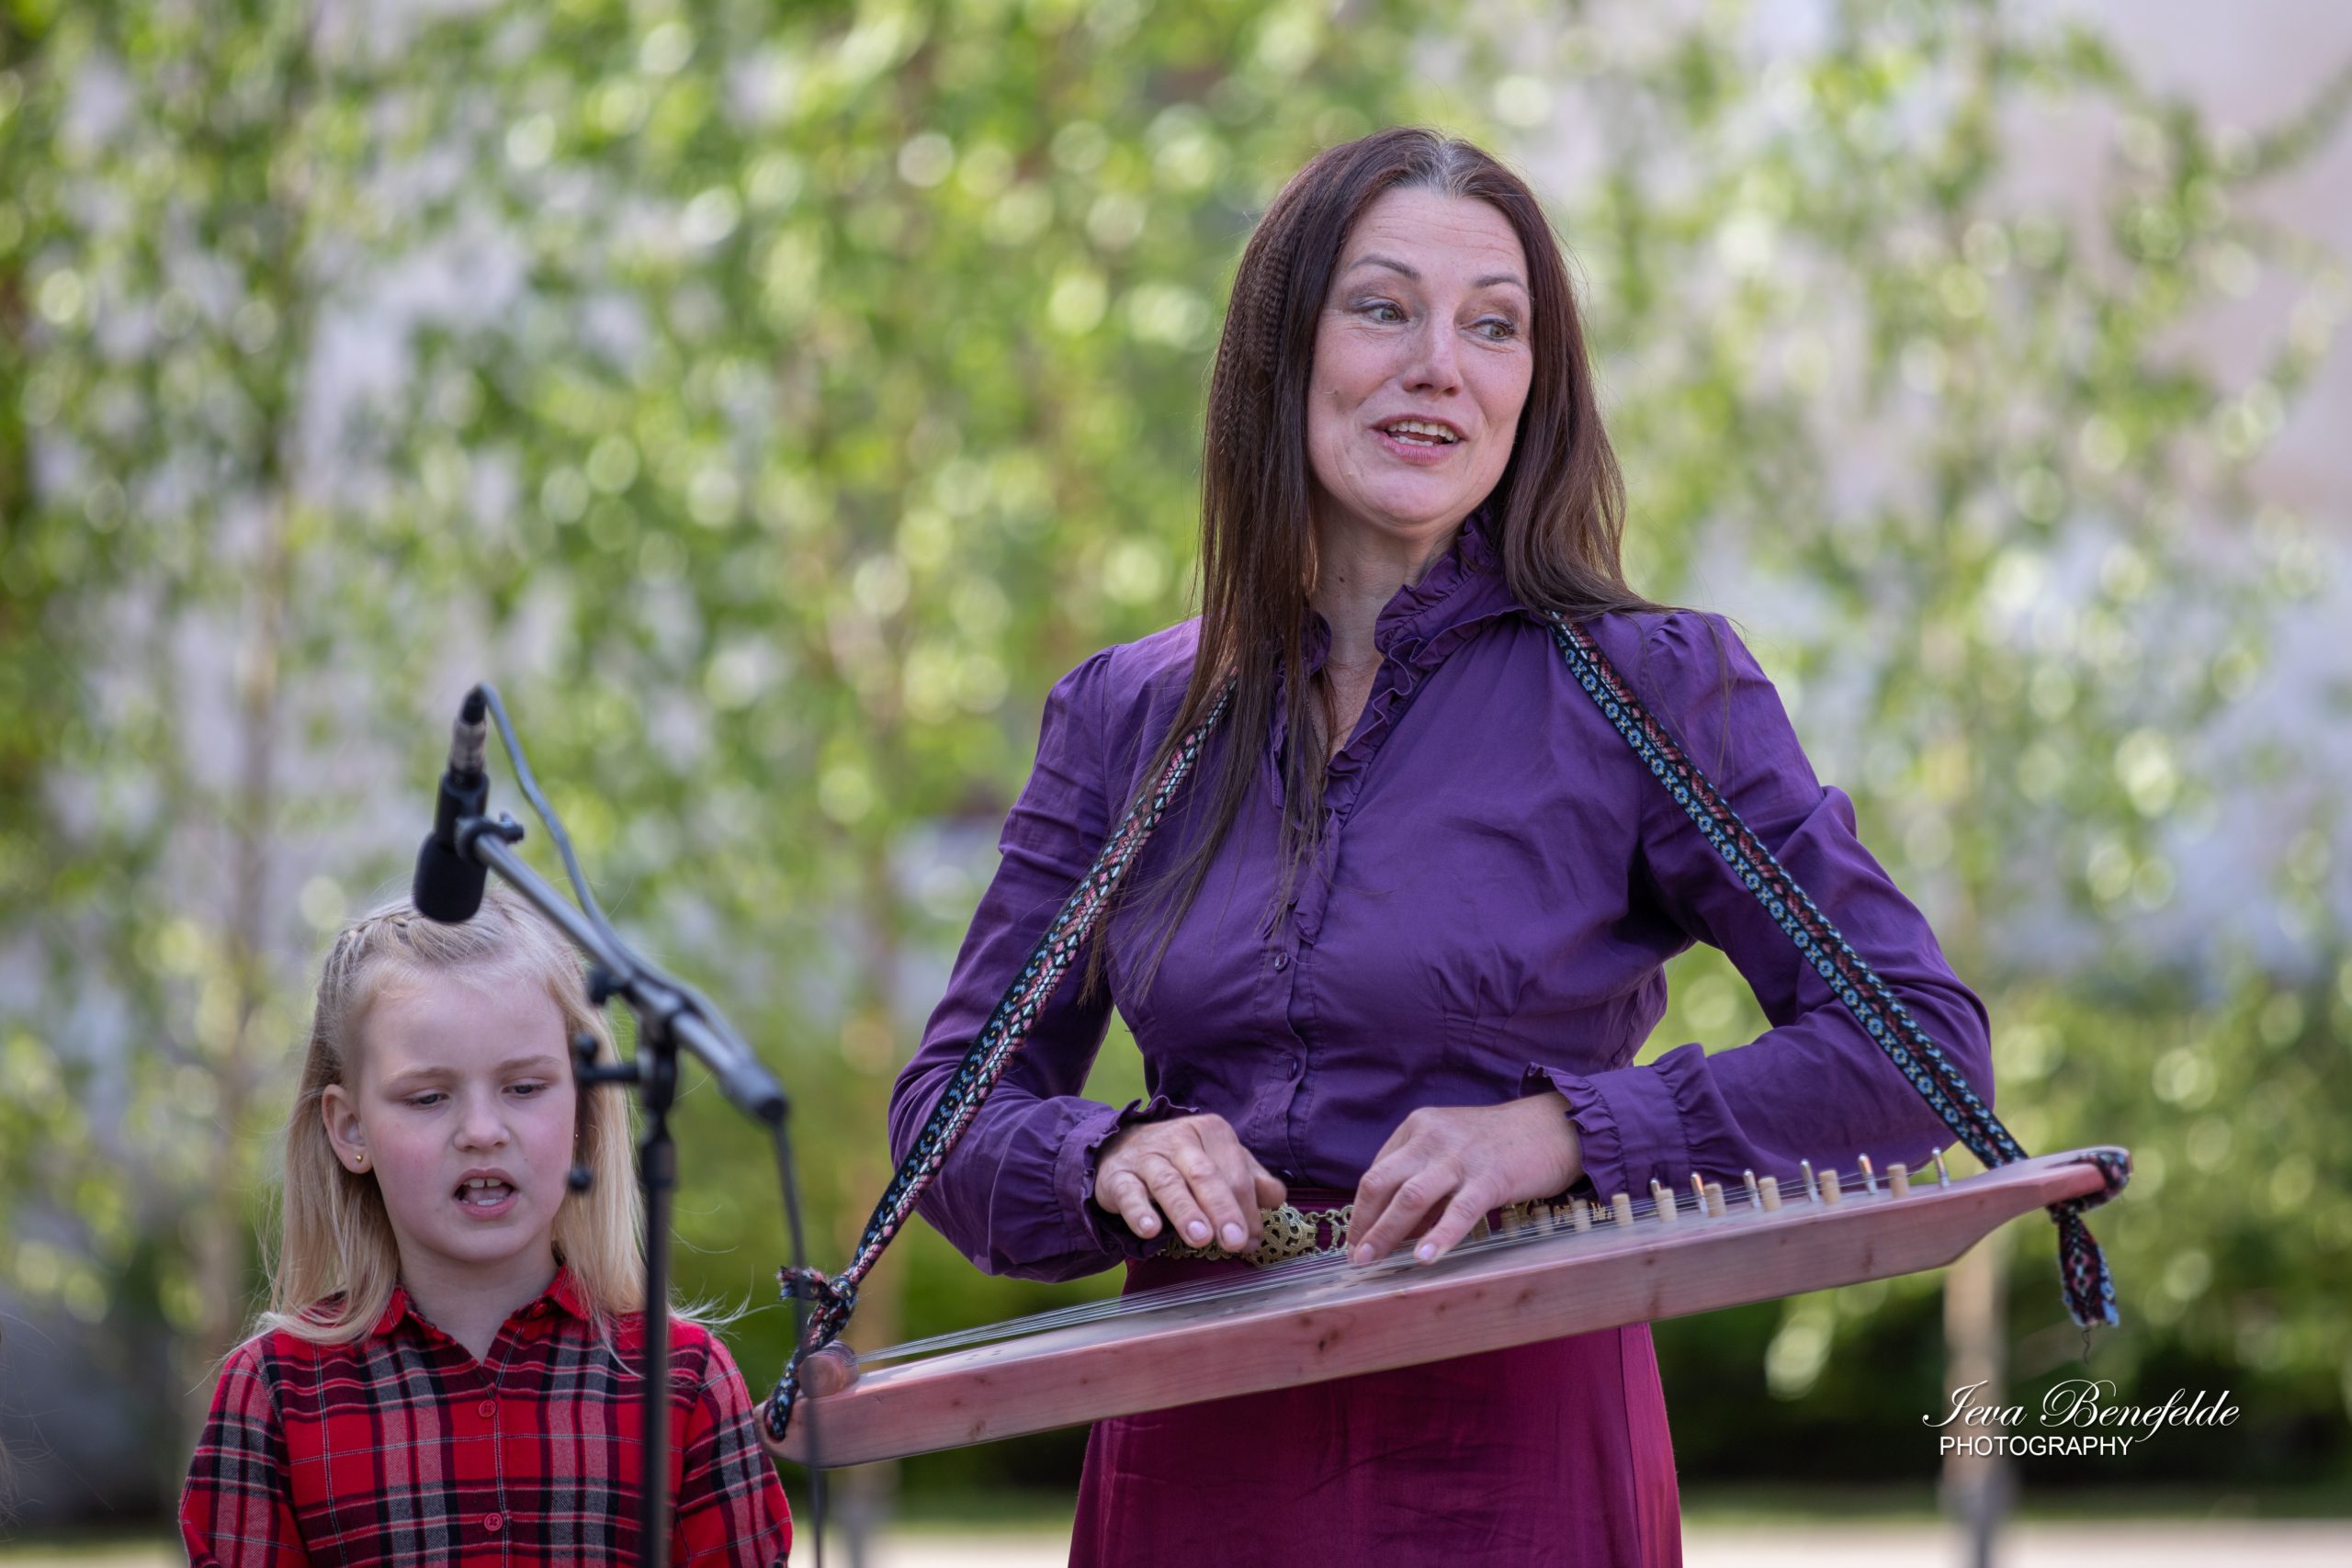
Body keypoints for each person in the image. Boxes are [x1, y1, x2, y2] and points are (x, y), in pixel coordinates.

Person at [889, 127, 1993, 1565]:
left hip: (1517, 1462)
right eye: (1383, 308)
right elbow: (947, 1116)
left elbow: (1916, 1049)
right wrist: (1112, 1154)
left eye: (1493, 325)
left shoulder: (1652, 687)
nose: (1439, 366)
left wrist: (1563, 1133)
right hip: (1191, 1461)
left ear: (1537, 385)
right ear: (1281, 353)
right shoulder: (1129, 713)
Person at [180, 886, 791, 1566]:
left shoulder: (682, 1377)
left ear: (585, 1105)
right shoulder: (275, 1392)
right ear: (350, 1129)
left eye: (523, 1087)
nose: (481, 1131)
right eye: (428, 1097)